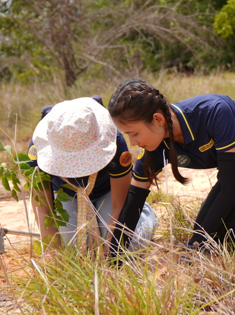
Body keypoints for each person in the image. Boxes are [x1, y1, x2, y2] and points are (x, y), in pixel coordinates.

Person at [107, 79, 235, 251]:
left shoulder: (214, 111)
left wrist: (196, 245)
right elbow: (133, 203)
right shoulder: (155, 144)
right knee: (207, 226)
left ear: (158, 119)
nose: (132, 142)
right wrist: (115, 255)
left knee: (223, 227)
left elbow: (230, 188)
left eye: (134, 133)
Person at [28, 96, 157, 254]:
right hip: (69, 195)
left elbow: (118, 205)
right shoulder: (38, 151)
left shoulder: (113, 141)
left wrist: (110, 250)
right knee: (74, 250)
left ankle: (145, 214)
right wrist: (55, 253)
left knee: (128, 246)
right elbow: (43, 210)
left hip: (108, 192)